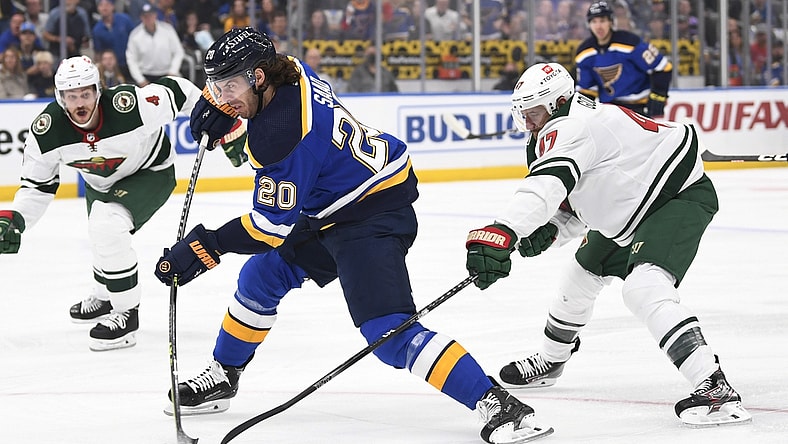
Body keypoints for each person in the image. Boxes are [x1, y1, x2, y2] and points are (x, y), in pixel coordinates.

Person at [153, 27, 552, 444]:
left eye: (228, 85)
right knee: (262, 276)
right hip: (332, 202)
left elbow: (269, 229)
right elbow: (244, 91)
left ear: (257, 78)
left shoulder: (281, 135)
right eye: (215, 85)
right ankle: (224, 374)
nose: (221, 95)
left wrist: (204, 247)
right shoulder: (287, 69)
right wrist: (220, 99)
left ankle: (498, 403)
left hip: (372, 214)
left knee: (389, 335)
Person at [464, 62, 752, 428]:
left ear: (559, 102)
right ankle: (553, 360)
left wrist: (504, 229)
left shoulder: (571, 127)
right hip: (633, 204)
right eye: (524, 114)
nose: (529, 122)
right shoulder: (572, 120)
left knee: (644, 287)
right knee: (578, 276)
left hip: (675, 197)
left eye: (534, 113)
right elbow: (586, 194)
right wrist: (555, 226)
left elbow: (547, 184)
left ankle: (716, 389)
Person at [0, 56, 204, 351]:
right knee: (101, 234)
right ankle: (106, 293)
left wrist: (215, 114)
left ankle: (127, 313)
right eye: (71, 96)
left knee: (106, 226)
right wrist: (14, 218)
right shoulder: (47, 130)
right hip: (101, 181)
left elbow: (180, 90)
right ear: (60, 98)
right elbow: (37, 186)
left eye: (85, 93)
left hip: (149, 173)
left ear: (98, 90)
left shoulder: (129, 105)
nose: (79, 103)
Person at [575, 1, 672, 118]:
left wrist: (658, 96)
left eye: (602, 21)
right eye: (594, 21)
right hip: (608, 111)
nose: (598, 26)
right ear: (588, 24)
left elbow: (663, 67)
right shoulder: (584, 52)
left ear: (611, 22)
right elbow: (587, 90)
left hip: (638, 108)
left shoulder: (630, 42)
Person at [125, 2, 183, 86]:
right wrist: (141, 80)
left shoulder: (168, 29)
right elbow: (131, 59)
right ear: (141, 17)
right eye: (145, 16)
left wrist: (173, 72)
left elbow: (178, 52)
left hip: (167, 73)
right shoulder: (135, 35)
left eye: (150, 15)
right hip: (146, 76)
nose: (148, 18)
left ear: (155, 15)